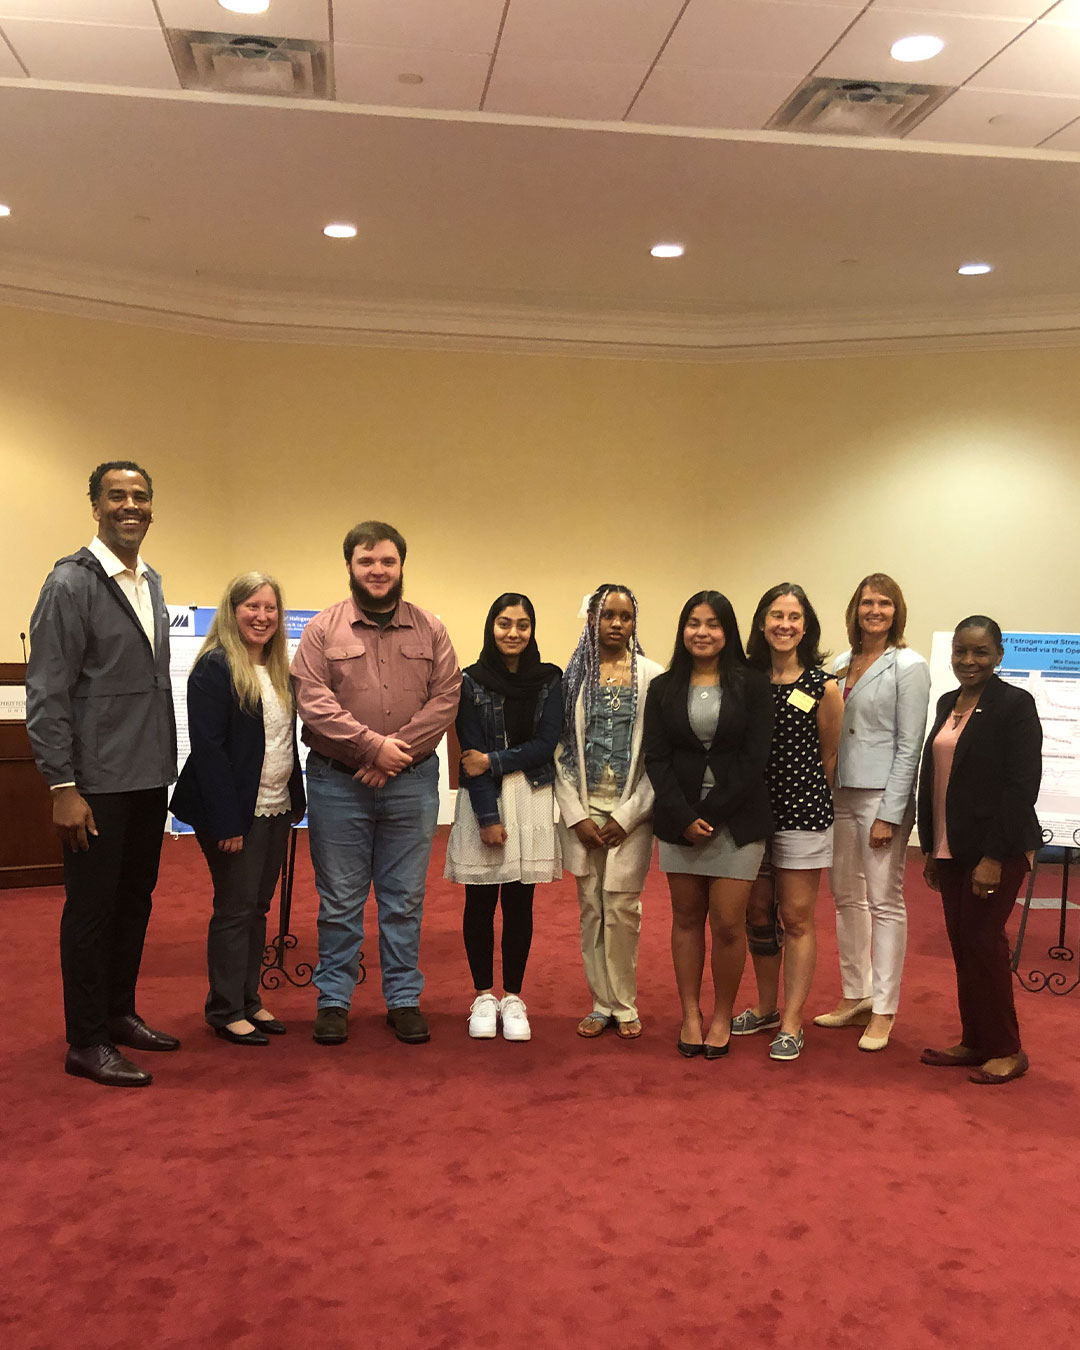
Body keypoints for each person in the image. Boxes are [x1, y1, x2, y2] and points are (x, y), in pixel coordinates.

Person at [26, 461, 179, 1087]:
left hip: (147, 778)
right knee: (91, 912)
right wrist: (62, 785)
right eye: (117, 496)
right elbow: (47, 691)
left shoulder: (151, 582)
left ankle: (117, 1013)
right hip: (95, 785)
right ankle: (85, 1041)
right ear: (94, 507)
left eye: (141, 496)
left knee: (134, 904)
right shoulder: (70, 584)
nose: (130, 506)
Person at [291, 520, 461, 1046]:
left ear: (401, 566)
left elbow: (447, 696)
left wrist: (394, 753)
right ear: (350, 567)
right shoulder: (323, 630)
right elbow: (311, 700)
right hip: (337, 784)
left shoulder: (430, 628)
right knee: (339, 900)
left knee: (403, 898)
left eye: (387, 561)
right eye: (367, 561)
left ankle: (403, 998)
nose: (378, 570)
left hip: (410, 783)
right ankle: (334, 1000)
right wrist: (372, 747)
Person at [170, 573, 306, 1046]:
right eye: (252, 606)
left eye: (270, 608)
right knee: (233, 908)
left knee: (257, 907)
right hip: (231, 812)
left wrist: (295, 800)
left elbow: (285, 742)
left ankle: (248, 999)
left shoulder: (278, 668)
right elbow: (209, 752)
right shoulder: (214, 668)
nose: (262, 616)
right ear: (232, 611)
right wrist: (228, 822)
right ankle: (225, 1008)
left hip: (274, 805)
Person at [644, 591, 774, 1058]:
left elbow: (754, 757)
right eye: (694, 623)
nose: (703, 632)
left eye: (713, 623)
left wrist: (711, 814)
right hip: (679, 821)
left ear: (728, 631)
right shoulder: (662, 687)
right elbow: (656, 757)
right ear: (683, 630)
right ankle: (690, 1013)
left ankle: (722, 1014)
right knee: (685, 919)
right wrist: (683, 816)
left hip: (736, 821)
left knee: (727, 924)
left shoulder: (752, 684)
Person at [917, 616, 1040, 1085]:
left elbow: (1020, 786)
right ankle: (976, 1040)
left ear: (999, 654)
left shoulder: (1014, 705)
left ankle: (1008, 1049)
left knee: (986, 945)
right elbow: (936, 778)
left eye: (980, 652)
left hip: (996, 850)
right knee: (964, 946)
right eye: (961, 651)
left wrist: (993, 856)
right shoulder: (949, 702)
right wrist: (931, 846)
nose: (969, 661)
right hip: (952, 847)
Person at [815, 572, 930, 1052]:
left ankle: (884, 1008)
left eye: (884, 603)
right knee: (846, 897)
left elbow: (910, 745)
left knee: (885, 901)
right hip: (839, 792)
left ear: (896, 611)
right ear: (855, 609)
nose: (874, 610)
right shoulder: (841, 663)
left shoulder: (908, 664)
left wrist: (891, 811)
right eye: (867, 603)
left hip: (882, 795)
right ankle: (856, 994)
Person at [733, 584, 843, 1061]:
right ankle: (766, 1006)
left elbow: (830, 756)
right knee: (757, 915)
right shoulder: (744, 680)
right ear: (761, 623)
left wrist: (807, 797)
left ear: (805, 626)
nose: (784, 624)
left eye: (794, 616)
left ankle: (794, 1019)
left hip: (802, 816)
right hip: (750, 815)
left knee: (796, 919)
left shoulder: (824, 686)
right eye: (776, 615)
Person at [446, 594, 562, 1042]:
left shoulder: (550, 679)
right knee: (479, 902)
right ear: (490, 627)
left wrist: (493, 761)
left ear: (533, 630)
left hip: (531, 795)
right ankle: (482, 995)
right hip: (484, 800)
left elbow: (546, 743)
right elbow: (468, 753)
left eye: (522, 625)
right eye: (503, 623)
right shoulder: (470, 681)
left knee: (519, 905)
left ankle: (513, 997)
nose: (513, 633)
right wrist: (487, 816)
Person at [554, 584, 663, 1041]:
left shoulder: (655, 678)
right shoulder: (572, 679)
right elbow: (557, 752)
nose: (616, 624)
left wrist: (631, 813)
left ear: (635, 623)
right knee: (591, 909)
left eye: (625, 616)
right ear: (592, 621)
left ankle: (624, 1003)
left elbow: (661, 757)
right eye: (607, 616)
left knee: (622, 908)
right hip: (584, 810)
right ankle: (600, 1002)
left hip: (630, 812)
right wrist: (575, 813)